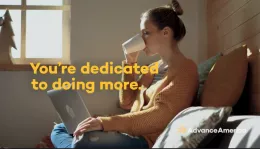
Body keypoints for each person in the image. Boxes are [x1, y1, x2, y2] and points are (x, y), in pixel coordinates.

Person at [51, 0, 199, 148]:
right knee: (60, 129)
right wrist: (130, 63)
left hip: (146, 140)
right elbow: (126, 102)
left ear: (166, 32)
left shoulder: (186, 68)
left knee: (83, 141)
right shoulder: (152, 69)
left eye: (146, 33)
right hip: (128, 132)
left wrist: (105, 122)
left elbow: (161, 116)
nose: (141, 39)